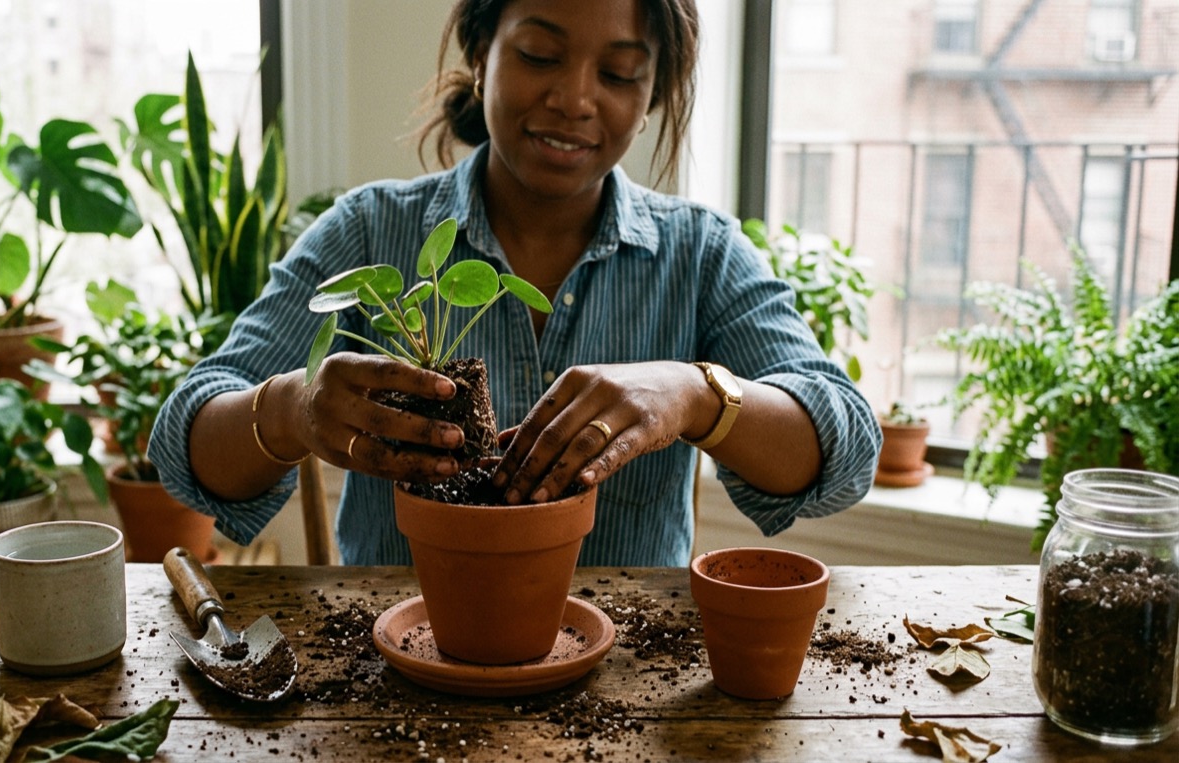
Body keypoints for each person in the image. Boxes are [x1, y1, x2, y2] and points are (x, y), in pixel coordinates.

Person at [148, 0, 881, 567]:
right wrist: (291, 409)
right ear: (480, 49)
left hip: (624, 683)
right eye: (539, 54)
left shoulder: (701, 254)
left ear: (654, 92)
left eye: (620, 73)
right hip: (398, 669)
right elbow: (186, 441)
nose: (575, 98)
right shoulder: (369, 232)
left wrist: (693, 394)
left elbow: (846, 447)